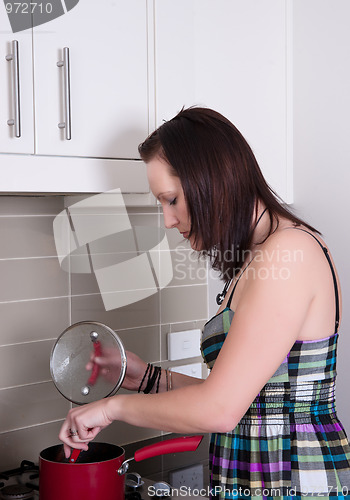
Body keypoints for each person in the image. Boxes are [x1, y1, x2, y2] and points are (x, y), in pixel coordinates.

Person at [59, 107, 350, 499]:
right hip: (257, 474)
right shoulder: (257, 257)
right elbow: (250, 401)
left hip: (294, 477)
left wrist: (112, 409)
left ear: (212, 181)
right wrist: (145, 378)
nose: (166, 220)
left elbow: (220, 410)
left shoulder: (288, 253)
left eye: (172, 199)